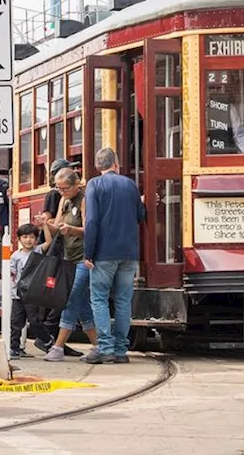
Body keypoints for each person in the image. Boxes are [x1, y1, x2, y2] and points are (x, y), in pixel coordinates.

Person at [83, 147, 144, 365]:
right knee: (123, 300)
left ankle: (105, 348)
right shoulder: (129, 184)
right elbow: (140, 215)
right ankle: (120, 349)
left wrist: (88, 252)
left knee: (99, 298)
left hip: (103, 253)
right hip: (129, 253)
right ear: (115, 163)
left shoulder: (94, 185)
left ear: (98, 166)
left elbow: (91, 221)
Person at [44, 169, 97, 362]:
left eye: (65, 188)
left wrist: (71, 230)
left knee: (71, 299)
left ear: (77, 185)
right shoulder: (63, 200)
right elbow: (57, 226)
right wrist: (45, 224)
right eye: (58, 188)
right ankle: (99, 345)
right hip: (69, 258)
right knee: (82, 305)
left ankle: (57, 347)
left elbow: (89, 229)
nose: (61, 192)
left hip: (84, 257)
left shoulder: (84, 200)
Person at [7, 224, 41, 359]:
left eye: (32, 237)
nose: (28, 240)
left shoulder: (37, 251)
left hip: (33, 294)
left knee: (34, 321)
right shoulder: (16, 256)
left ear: (36, 239)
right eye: (25, 237)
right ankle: (15, 348)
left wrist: (44, 226)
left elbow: (49, 243)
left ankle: (47, 342)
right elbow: (11, 273)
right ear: (19, 239)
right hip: (17, 294)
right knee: (16, 322)